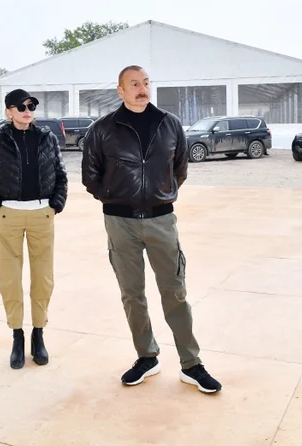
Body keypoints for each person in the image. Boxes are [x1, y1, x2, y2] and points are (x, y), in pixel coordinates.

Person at [81, 65, 222, 394]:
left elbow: (180, 169)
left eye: (145, 83)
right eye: (133, 84)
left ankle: (192, 364)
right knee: (132, 294)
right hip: (120, 223)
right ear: (120, 90)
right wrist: (116, 199)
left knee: (174, 292)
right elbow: (91, 175)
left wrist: (160, 195)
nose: (141, 88)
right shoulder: (102, 129)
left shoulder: (169, 125)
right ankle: (147, 356)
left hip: (161, 220)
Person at [0, 88, 68, 369]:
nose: (28, 110)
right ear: (9, 111)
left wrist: (56, 204)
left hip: (42, 215)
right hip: (10, 216)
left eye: (31, 105)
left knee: (43, 278)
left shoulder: (47, 138)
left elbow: (61, 175)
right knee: (10, 278)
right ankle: (17, 335)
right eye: (22, 106)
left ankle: (38, 334)